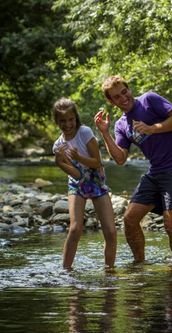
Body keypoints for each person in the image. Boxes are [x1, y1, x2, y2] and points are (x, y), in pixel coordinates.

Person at [94, 76, 172, 265]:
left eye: (124, 92)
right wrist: (104, 133)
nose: (123, 98)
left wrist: (152, 129)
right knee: (130, 219)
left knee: (171, 224)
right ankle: (139, 264)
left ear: (129, 89)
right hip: (156, 171)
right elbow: (120, 158)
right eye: (116, 97)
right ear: (111, 101)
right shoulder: (121, 125)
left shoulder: (149, 100)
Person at [52, 98, 117, 270]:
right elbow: (76, 174)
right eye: (63, 121)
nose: (67, 124)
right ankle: (65, 271)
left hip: (96, 180)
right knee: (75, 229)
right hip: (77, 184)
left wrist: (78, 157)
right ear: (57, 122)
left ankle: (109, 271)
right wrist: (60, 163)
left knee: (110, 231)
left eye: (71, 119)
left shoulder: (85, 132)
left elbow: (97, 162)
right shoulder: (58, 146)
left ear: (76, 118)